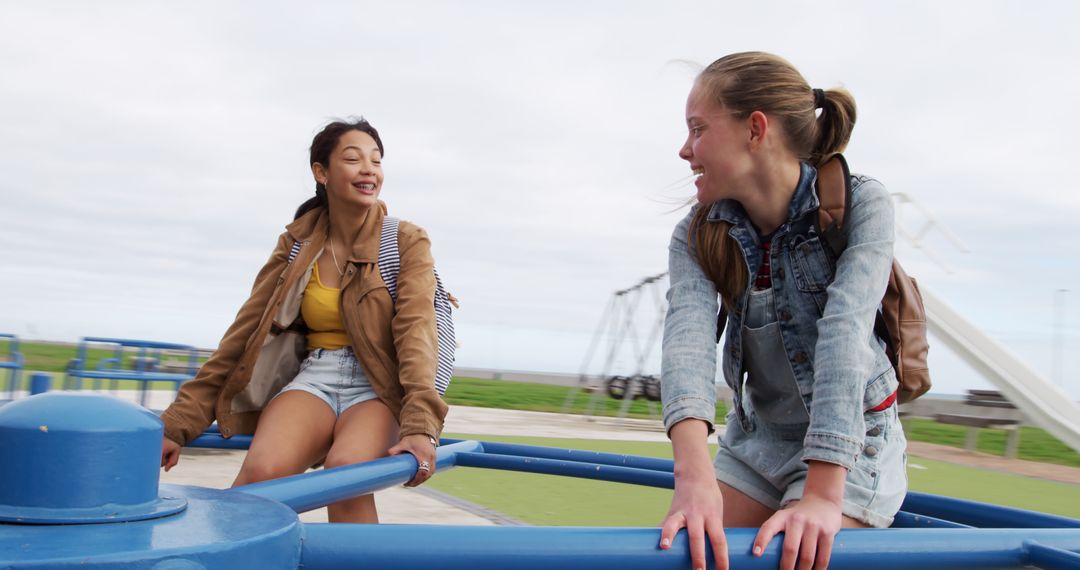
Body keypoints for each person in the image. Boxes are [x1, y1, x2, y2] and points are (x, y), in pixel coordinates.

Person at [658, 52, 907, 570]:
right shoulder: (696, 233)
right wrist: (694, 479)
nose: (685, 150)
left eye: (698, 129)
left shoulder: (861, 206)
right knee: (693, 553)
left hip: (854, 442)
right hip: (759, 439)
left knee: (791, 557)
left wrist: (820, 495)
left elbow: (845, 333)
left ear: (755, 129)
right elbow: (686, 342)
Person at [159, 117, 448, 523]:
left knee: (346, 475)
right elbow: (244, 336)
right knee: (261, 475)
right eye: (353, 159)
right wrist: (179, 423)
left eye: (376, 161)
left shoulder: (404, 239)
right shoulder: (298, 243)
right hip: (316, 375)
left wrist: (421, 425)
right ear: (321, 172)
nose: (369, 169)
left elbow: (417, 332)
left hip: (381, 384)